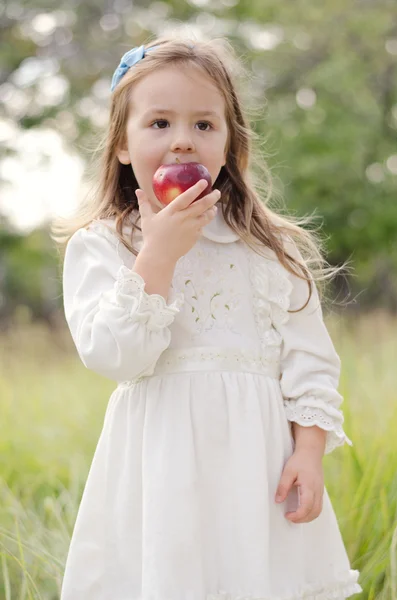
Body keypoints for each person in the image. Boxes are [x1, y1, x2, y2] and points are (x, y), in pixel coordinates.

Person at [54, 34, 362, 600]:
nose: (181, 143)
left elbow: (311, 359)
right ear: (122, 144)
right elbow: (115, 356)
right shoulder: (102, 246)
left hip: (258, 470)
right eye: (159, 123)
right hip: (161, 470)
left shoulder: (270, 249)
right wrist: (158, 256)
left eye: (203, 124)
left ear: (229, 144)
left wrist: (309, 452)